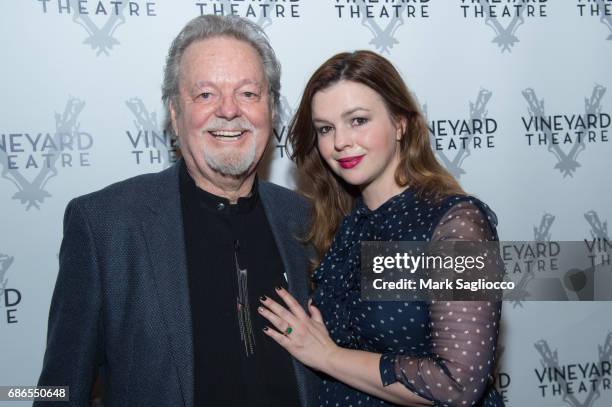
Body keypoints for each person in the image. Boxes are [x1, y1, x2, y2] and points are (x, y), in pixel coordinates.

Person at [36, 15, 319, 407]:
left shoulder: (306, 219)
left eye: (248, 94)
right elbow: (58, 392)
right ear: (174, 112)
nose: (229, 110)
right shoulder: (105, 226)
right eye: (205, 95)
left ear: (271, 108)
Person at [257, 50, 504, 406]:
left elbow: (457, 385)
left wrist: (327, 356)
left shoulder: (457, 225)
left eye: (357, 120)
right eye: (326, 128)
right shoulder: (342, 223)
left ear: (400, 123)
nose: (340, 141)